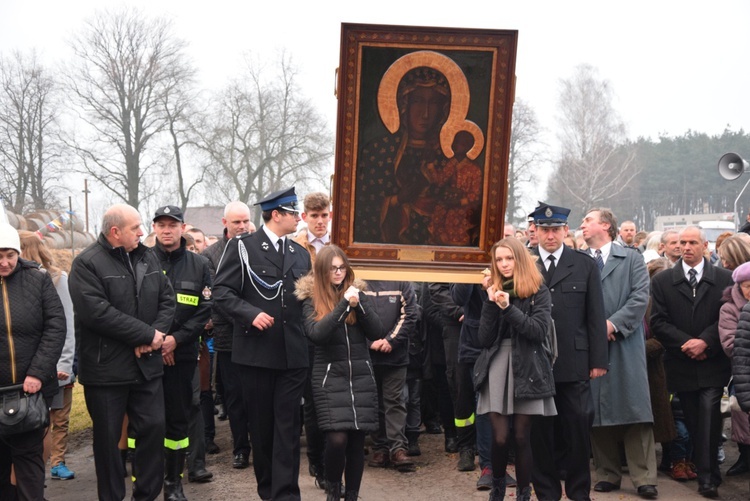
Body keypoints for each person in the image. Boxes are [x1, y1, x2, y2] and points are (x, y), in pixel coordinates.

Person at [69, 204, 175, 501]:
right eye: (136, 227)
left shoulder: (147, 257)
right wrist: (145, 334)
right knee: (108, 443)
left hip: (147, 366)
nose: (143, 232)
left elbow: (167, 300)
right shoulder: (86, 263)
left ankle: (146, 495)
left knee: (154, 431)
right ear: (115, 231)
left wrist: (154, 336)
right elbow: (97, 314)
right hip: (106, 372)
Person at [213, 187, 312, 501]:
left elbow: (308, 301)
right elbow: (222, 292)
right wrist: (249, 313)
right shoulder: (244, 248)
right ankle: (268, 491)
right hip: (256, 354)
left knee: (288, 428)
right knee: (263, 428)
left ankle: (286, 495)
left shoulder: (300, 253)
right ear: (277, 214)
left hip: (293, 354)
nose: (299, 217)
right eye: (293, 212)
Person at [529, 202, 609, 501]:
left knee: (577, 429)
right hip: (535, 364)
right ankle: (547, 493)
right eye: (544, 229)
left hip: (575, 361)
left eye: (556, 230)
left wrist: (599, 359)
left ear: (566, 230)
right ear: (535, 231)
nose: (550, 235)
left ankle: (578, 492)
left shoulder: (584, 264)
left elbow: (594, 315)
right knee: (541, 433)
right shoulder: (526, 263)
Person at [295, 245, 384, 501]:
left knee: (356, 442)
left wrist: (359, 305)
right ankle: (333, 491)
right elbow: (317, 334)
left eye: (342, 267)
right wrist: (344, 306)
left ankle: (352, 495)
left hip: (360, 376)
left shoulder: (359, 295)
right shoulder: (310, 299)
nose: (338, 273)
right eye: (333, 268)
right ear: (322, 271)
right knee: (336, 440)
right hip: (329, 377)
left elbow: (377, 331)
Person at [651, 226, 733, 498]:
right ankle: (707, 469)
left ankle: (708, 479)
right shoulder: (663, 281)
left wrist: (705, 342)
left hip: (712, 362)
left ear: (704, 246)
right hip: (682, 362)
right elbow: (658, 322)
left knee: (709, 416)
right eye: (682, 242)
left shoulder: (724, 278)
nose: (686, 247)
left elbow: (727, 316)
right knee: (694, 420)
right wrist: (686, 343)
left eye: (692, 242)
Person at [581, 208, 658, 499]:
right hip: (591, 345)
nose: (582, 225)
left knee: (634, 408)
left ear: (605, 225)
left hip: (625, 344)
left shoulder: (632, 258)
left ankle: (644, 477)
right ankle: (607, 473)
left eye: (587, 220)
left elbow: (640, 297)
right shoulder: (581, 261)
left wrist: (612, 324)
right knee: (597, 409)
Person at [476, 237, 556, 501]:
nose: (504, 264)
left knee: (522, 437)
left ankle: (524, 494)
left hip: (529, 365)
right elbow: (484, 339)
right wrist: (490, 303)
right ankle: (497, 491)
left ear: (519, 259)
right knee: (500, 438)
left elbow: (537, 331)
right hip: (498, 362)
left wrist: (507, 308)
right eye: (499, 259)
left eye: (509, 258)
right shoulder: (492, 290)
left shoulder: (538, 290)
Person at [355, 66, 459, 246]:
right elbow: (365, 205)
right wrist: (397, 200)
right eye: (418, 101)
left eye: (433, 103)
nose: (425, 113)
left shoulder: (448, 157)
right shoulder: (380, 150)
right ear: (404, 104)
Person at [151, 205, 213, 499]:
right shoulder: (141, 261)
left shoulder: (199, 265)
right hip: (147, 353)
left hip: (184, 352)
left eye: (172, 225)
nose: (166, 230)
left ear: (182, 228)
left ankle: (173, 485)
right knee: (148, 420)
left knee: (178, 417)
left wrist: (175, 340)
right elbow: (134, 307)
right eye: (161, 224)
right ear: (154, 228)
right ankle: (146, 482)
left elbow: (204, 311)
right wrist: (159, 341)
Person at [0, 224, 65, 501]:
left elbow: (55, 325)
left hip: (31, 391)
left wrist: (37, 372)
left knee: (28, 461)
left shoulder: (37, 280)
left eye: (9, 255)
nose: (4, 262)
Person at [17, 230, 77, 482]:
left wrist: (64, 363)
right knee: (33, 420)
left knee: (59, 416)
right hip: (26, 367)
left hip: (56, 363)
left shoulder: (56, 279)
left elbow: (66, 323)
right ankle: (33, 472)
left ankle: (58, 461)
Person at [202, 201, 255, 470]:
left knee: (257, 395)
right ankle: (240, 448)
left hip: (259, 336)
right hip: (229, 337)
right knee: (234, 397)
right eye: (236, 222)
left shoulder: (258, 246)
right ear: (225, 223)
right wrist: (249, 316)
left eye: (245, 221)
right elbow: (217, 298)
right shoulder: (212, 255)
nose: (242, 226)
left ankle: (260, 443)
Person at [294, 192, 332, 491]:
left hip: (336, 330)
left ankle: (334, 462)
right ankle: (317, 460)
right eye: (314, 215)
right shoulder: (295, 246)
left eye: (324, 215)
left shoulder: (338, 245)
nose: (319, 221)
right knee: (312, 401)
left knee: (333, 398)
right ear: (304, 216)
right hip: (305, 331)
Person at [364, 279, 419, 473]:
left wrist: (390, 341)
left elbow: (410, 314)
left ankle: (398, 449)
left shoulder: (401, 281)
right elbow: (354, 315)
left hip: (395, 355)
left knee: (395, 401)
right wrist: (369, 342)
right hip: (367, 355)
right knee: (373, 402)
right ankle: (380, 448)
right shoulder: (360, 280)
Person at [718, 260, 750, 477]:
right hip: (742, 373)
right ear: (739, 286)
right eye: (748, 286)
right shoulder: (730, 308)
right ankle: (745, 457)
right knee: (743, 419)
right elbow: (730, 344)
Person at [426, 130, 483, 246]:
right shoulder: (451, 164)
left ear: (468, 147)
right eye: (455, 142)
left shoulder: (474, 169)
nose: (456, 145)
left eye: (460, 143)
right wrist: (430, 165)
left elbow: (475, 194)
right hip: (447, 204)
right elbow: (440, 180)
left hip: (464, 209)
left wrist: (459, 202)